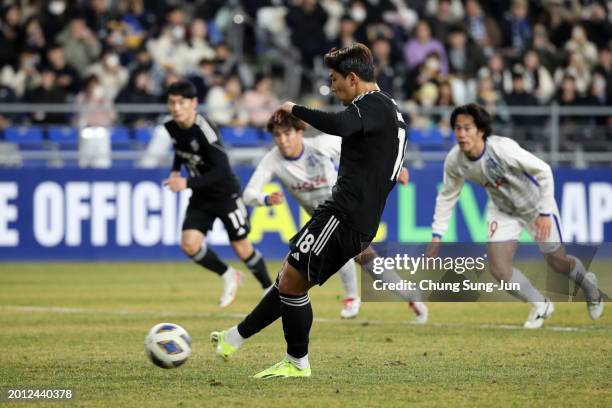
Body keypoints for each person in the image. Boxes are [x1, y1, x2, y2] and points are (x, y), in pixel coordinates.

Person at [211, 43, 409, 378]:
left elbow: (340, 126)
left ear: (352, 78)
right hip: (345, 212)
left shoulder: (371, 104)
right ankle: (235, 337)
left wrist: (296, 108)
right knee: (289, 274)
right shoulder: (389, 110)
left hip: (344, 215)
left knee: (291, 283)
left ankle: (297, 362)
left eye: (334, 80)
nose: (332, 87)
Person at [428, 103, 603, 329]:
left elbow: (544, 171)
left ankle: (590, 288)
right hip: (503, 210)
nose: (461, 134)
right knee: (499, 268)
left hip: (535, 206)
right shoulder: (455, 161)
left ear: (480, 130)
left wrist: (544, 213)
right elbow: (447, 196)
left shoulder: (503, 149)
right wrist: (436, 236)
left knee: (558, 263)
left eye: (467, 128)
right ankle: (541, 305)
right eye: (457, 128)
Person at [243, 108, 428, 321]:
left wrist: (395, 169)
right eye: (277, 135)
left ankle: (351, 297)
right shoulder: (272, 160)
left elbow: (363, 150)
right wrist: (265, 199)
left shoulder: (321, 145)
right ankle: (409, 294)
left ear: (300, 131)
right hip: (321, 219)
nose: (283, 140)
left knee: (331, 250)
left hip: (346, 209)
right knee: (369, 261)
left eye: (287, 133)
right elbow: (248, 194)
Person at [162, 80, 273, 308]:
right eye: (172, 102)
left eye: (181, 102)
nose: (176, 108)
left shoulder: (205, 130)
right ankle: (229, 275)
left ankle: (269, 289)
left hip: (225, 194)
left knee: (241, 247)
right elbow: (180, 149)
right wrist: (175, 169)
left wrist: (186, 182)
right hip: (201, 195)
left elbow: (222, 171)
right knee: (189, 245)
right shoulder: (172, 126)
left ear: (193, 103)